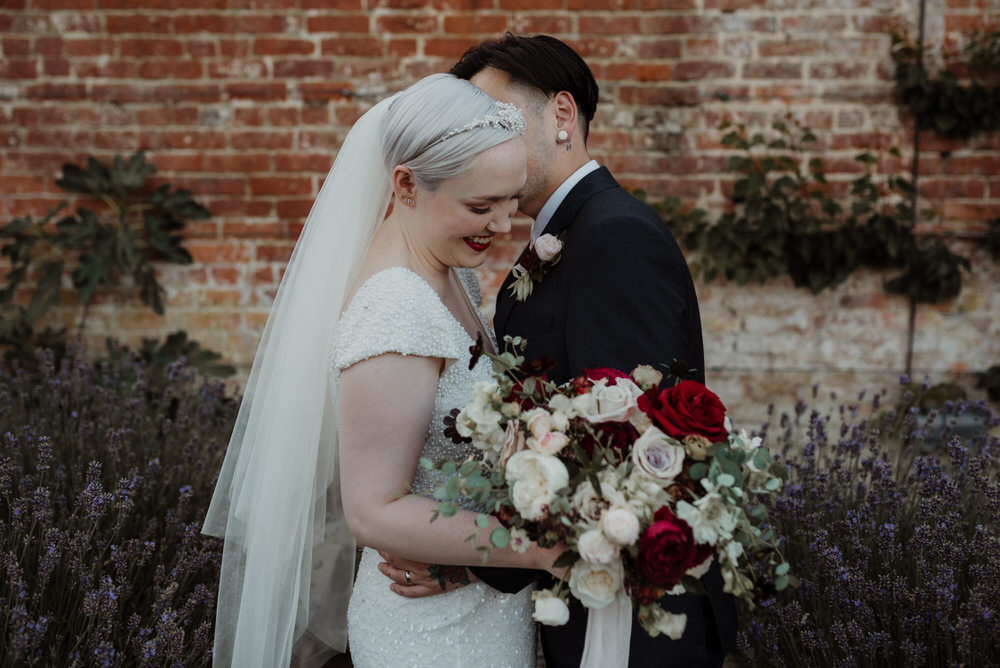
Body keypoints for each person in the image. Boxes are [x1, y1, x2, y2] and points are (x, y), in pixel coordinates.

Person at [380, 35, 737, 667]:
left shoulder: (614, 238)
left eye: (496, 118)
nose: (482, 138)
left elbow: (627, 462)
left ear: (562, 118)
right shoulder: (564, 234)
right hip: (583, 599)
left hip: (635, 618)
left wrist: (479, 567)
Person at [203, 73, 565, 668]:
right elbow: (374, 509)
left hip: (474, 605)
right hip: (429, 636)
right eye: (480, 206)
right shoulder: (396, 309)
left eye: (510, 201)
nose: (503, 227)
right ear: (405, 185)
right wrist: (543, 549)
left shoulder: (454, 274)